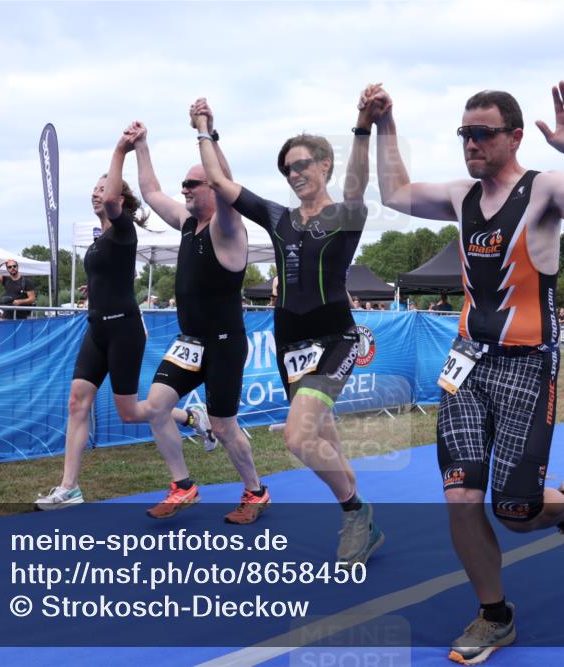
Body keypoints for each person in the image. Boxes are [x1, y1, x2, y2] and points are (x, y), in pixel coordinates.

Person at [370, 80, 564, 662]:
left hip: (528, 366)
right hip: (465, 364)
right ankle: (495, 614)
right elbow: (394, 192)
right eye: (465, 133)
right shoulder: (461, 196)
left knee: (515, 512)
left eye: (483, 133)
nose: (472, 143)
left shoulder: (546, 190)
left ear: (514, 136)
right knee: (461, 497)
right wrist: (386, 124)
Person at [194, 87, 384, 566]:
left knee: (298, 438)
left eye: (302, 165)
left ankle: (355, 515)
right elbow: (218, 180)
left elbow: (359, 183)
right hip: (290, 342)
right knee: (326, 441)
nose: (295, 174)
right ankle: (362, 515)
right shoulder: (278, 219)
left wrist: (363, 124)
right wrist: (204, 130)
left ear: (324, 166)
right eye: (287, 169)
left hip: (336, 338)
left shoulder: (345, 214)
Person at [36, 127, 214, 510]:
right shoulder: (100, 239)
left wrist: (121, 150)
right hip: (97, 328)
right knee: (77, 402)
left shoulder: (122, 229)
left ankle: (188, 416)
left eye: (104, 187)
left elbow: (116, 198)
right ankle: (70, 488)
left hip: (123, 329)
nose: (97, 192)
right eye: (95, 187)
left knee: (131, 411)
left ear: (117, 196)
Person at [127, 105, 268, 525]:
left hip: (224, 344)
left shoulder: (228, 229)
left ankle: (256, 491)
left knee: (225, 427)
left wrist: (206, 132)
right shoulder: (188, 224)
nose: (184, 189)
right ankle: (183, 485)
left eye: (192, 183)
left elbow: (228, 186)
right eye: (184, 184)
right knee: (156, 407)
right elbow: (151, 193)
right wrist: (141, 146)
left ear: (211, 186)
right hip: (191, 342)